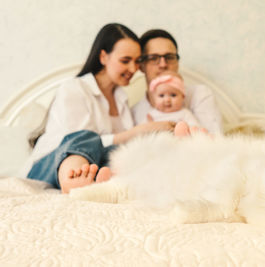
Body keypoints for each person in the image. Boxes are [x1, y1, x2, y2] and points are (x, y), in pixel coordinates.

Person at [25, 23, 176, 194]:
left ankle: (106, 180)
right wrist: (138, 131)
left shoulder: (122, 99)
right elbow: (77, 141)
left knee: (127, 151)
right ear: (103, 57)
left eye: (137, 61)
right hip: (48, 167)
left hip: (93, 165)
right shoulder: (75, 88)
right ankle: (74, 180)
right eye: (125, 61)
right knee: (86, 138)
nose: (133, 69)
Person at [133, 29, 223, 134]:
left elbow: (215, 141)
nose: (163, 64)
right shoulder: (135, 112)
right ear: (141, 65)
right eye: (153, 58)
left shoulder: (199, 95)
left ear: (177, 62)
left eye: (169, 57)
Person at [133, 71, 202, 129]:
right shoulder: (151, 114)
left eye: (173, 95)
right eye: (161, 96)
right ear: (154, 98)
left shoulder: (184, 114)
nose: (167, 100)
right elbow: (141, 130)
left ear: (183, 97)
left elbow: (195, 129)